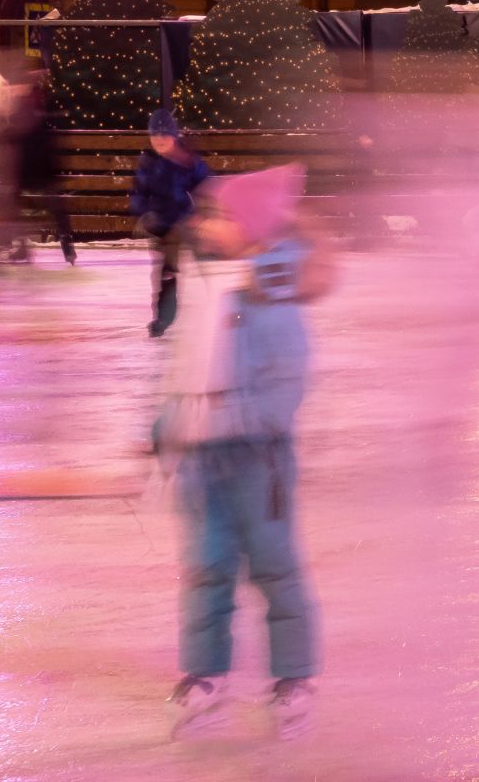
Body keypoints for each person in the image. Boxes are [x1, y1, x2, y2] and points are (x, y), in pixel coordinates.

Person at [156, 164, 332, 740]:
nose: (208, 225)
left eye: (223, 216)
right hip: (203, 461)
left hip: (259, 462)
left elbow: (288, 385)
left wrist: (236, 420)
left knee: (275, 567)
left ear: (253, 230)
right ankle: (206, 671)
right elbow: (182, 368)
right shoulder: (207, 287)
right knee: (206, 567)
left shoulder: (270, 297)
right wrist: (165, 424)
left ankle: (294, 674)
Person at [130, 109, 212, 337]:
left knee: (201, 263)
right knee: (166, 271)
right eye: (154, 137)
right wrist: (143, 214)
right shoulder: (148, 163)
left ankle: (221, 306)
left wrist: (203, 212)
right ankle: (163, 318)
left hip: (184, 220)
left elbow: (206, 184)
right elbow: (138, 192)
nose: (159, 141)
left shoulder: (186, 161)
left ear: (174, 137)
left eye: (164, 136)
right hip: (159, 224)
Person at [0, 77, 76, 265]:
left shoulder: (39, 113)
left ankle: (65, 246)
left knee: (53, 204)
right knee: (10, 200)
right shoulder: (29, 112)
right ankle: (23, 245)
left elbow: (39, 144)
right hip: (29, 171)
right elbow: (14, 140)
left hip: (37, 171)